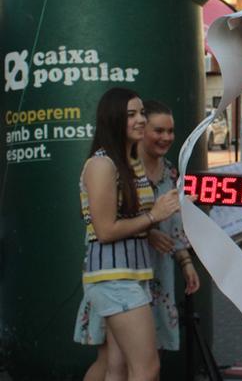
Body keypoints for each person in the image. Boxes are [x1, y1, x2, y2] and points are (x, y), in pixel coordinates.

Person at [74, 88, 181, 381]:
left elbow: (132, 221)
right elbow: (105, 230)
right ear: (113, 119)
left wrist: (155, 223)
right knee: (147, 369)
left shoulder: (130, 165)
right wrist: (153, 216)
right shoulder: (101, 165)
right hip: (114, 279)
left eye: (141, 113)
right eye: (131, 114)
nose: (140, 120)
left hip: (132, 276)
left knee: (117, 367)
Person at [139, 100, 200, 352]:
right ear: (141, 130)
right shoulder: (121, 169)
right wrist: (148, 232)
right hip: (129, 273)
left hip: (161, 273)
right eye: (159, 131)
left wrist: (185, 263)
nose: (166, 137)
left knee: (149, 357)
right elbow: (106, 221)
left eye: (170, 131)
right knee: (119, 359)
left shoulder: (170, 171)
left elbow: (175, 225)